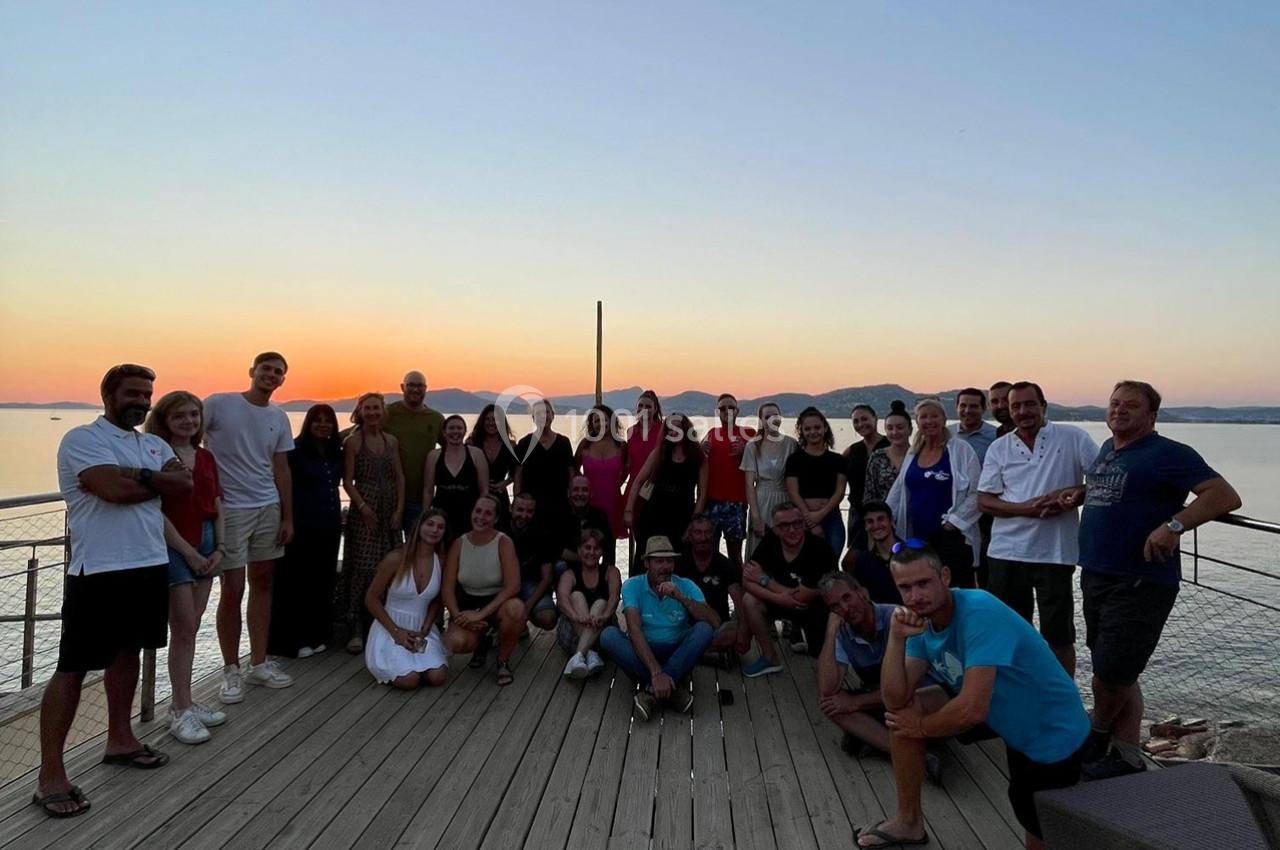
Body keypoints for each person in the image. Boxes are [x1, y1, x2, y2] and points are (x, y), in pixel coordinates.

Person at [859, 542, 1091, 850]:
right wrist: (896, 638)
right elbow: (894, 698)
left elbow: (972, 710)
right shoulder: (920, 621)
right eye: (905, 588)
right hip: (1005, 713)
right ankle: (908, 822)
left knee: (1039, 822)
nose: (915, 596)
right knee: (902, 712)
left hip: (1051, 731)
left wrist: (921, 728)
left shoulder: (979, 611)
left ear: (945, 576)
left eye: (923, 583)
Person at [37, 364, 192, 818]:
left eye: (147, 394)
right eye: (132, 393)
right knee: (72, 668)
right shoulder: (83, 439)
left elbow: (183, 485)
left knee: (128, 654)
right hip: (99, 569)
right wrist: (150, 479)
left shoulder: (154, 442)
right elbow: (109, 491)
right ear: (108, 394)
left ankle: (120, 740)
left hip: (148, 564)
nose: (142, 401)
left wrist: (136, 475)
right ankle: (50, 775)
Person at [1067, 380, 1240, 780]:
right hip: (1097, 574)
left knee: (1112, 673)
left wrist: (1175, 525)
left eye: (1130, 405)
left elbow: (1224, 495)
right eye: (1114, 403)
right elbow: (1116, 492)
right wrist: (1079, 493)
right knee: (1118, 671)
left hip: (1140, 581)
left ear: (1151, 415)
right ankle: (1126, 757)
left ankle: (1095, 736)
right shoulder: (1109, 450)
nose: (1119, 410)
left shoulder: (1169, 454)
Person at [977, 381, 1098, 674]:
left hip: (1054, 554)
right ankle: (1022, 698)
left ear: (1043, 406)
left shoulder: (1073, 437)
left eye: (1029, 404)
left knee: (1059, 635)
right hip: (1006, 553)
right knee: (1011, 633)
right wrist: (1026, 509)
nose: (1023, 411)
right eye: (1015, 406)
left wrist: (1075, 493)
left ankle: (1063, 703)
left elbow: (1102, 479)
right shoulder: (999, 447)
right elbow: (984, 500)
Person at [203, 352, 296, 702]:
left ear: (283, 379)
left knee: (263, 583)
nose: (271, 375)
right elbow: (186, 436)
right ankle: (230, 670)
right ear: (252, 371)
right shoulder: (219, 404)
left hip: (267, 507)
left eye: (278, 372)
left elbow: (282, 468)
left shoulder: (278, 416)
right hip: (231, 511)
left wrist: (287, 516)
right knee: (231, 590)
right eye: (266, 369)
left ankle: (259, 662)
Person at [145, 391, 227, 745]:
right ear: (165, 419)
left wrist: (220, 548)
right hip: (174, 545)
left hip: (207, 540)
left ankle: (187, 701)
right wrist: (187, 553)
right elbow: (155, 511)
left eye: (194, 415)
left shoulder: (206, 457)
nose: (189, 421)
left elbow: (218, 502)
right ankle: (178, 710)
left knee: (192, 627)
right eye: (180, 416)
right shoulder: (159, 456)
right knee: (181, 627)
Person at [815, 572, 940, 781]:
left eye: (847, 598)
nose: (844, 609)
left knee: (901, 701)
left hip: (919, 696)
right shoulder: (843, 630)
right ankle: (915, 756)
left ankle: (876, 740)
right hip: (882, 697)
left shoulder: (896, 617)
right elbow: (828, 688)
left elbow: (909, 686)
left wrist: (854, 703)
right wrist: (830, 632)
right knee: (829, 703)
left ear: (862, 593)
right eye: (835, 606)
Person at [600, 536, 719, 720]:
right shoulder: (633, 585)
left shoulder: (685, 585)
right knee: (608, 636)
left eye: (669, 561)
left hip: (676, 650)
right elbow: (634, 629)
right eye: (659, 561)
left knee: (704, 630)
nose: (665, 566)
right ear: (647, 563)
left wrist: (680, 597)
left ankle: (653, 692)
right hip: (645, 651)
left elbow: (714, 622)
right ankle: (671, 688)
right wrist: (656, 672)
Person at [268, 404, 344, 659]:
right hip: (301, 524)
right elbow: (280, 482)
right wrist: (284, 520)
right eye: (317, 420)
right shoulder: (295, 450)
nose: (323, 425)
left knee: (321, 581)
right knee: (294, 583)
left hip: (330, 525)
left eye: (328, 421)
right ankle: (290, 640)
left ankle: (317, 633)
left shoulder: (335, 451)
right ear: (308, 423)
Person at [885, 398, 982, 589]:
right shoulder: (914, 452)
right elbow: (899, 489)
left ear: (944, 419)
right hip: (917, 537)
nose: (929, 421)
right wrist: (886, 518)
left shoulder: (960, 450)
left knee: (955, 589)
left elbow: (977, 492)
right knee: (924, 589)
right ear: (917, 422)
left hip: (952, 537)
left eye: (934, 416)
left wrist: (953, 522)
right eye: (924, 417)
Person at [338, 392, 405, 653]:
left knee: (390, 566)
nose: (373, 413)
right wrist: (363, 507)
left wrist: (399, 509)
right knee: (362, 567)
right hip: (365, 507)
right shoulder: (354, 442)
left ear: (383, 410)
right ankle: (355, 625)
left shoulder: (391, 441)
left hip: (390, 507)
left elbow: (399, 476)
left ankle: (385, 624)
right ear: (360, 411)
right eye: (368, 409)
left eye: (377, 408)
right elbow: (347, 481)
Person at [442, 495, 526, 685]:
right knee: (456, 642)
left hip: (496, 604)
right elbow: (447, 589)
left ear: (496, 519)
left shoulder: (503, 542)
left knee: (517, 610)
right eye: (478, 511)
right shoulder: (459, 544)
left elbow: (514, 585)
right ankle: (481, 643)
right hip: (467, 604)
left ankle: (502, 660)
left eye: (488, 513)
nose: (481, 517)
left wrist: (481, 616)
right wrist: (459, 617)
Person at [739, 502, 836, 668]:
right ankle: (770, 658)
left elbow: (802, 598)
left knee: (822, 662)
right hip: (782, 600)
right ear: (775, 528)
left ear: (804, 524)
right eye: (784, 525)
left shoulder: (820, 550)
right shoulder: (770, 540)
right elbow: (746, 579)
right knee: (750, 600)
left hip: (816, 608)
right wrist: (778, 598)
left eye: (796, 523)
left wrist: (765, 580)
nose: (791, 530)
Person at [364, 510, 449, 689]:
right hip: (390, 628)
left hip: (421, 629)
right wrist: (396, 633)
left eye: (440, 527)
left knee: (438, 677)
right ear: (419, 527)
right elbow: (371, 599)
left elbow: (438, 600)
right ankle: (404, 666)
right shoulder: (395, 559)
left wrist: (425, 629)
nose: (435, 530)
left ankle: (418, 664)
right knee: (409, 680)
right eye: (430, 524)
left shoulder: (441, 561)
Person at [678, 514, 767, 656]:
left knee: (733, 634)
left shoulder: (725, 564)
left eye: (707, 532)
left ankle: (692, 653)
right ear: (690, 535)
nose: (703, 537)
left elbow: (739, 601)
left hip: (717, 625)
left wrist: (743, 631)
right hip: (686, 624)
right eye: (698, 532)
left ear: (713, 535)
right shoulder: (680, 563)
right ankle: (705, 654)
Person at [624, 413, 707, 558]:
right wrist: (629, 510)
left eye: (678, 427)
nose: (674, 431)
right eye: (670, 429)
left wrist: (693, 524)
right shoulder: (659, 453)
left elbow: (702, 495)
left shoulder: (698, 457)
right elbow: (638, 481)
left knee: (677, 562)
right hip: (653, 516)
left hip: (682, 518)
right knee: (647, 559)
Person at [383, 370, 445, 532]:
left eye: (420, 386)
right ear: (402, 387)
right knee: (389, 551)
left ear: (426, 389)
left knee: (415, 550)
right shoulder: (388, 413)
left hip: (419, 498)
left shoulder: (436, 418)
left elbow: (453, 449)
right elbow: (362, 431)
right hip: (390, 496)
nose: (415, 389)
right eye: (411, 385)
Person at [556, 529, 621, 678]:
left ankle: (578, 657)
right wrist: (577, 616)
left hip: (602, 631)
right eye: (587, 547)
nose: (591, 552)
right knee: (576, 596)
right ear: (579, 550)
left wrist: (604, 616)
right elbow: (562, 600)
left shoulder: (611, 572)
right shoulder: (569, 574)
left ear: (601, 552)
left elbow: (614, 598)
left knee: (601, 603)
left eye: (596, 548)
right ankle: (590, 654)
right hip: (572, 633)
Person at [784, 406, 847, 557]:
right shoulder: (795, 460)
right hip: (802, 518)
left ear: (825, 428)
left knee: (831, 561)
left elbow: (840, 491)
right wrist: (809, 517)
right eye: (808, 429)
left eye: (817, 427)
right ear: (802, 432)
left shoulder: (838, 460)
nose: (813, 432)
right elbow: (793, 492)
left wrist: (821, 514)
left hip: (832, 518)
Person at [700, 393, 755, 567]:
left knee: (735, 555)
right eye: (722, 408)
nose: (727, 411)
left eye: (730, 407)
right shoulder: (711, 434)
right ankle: (715, 593)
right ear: (717, 412)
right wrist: (700, 448)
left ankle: (739, 592)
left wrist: (746, 449)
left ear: (737, 411)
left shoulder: (749, 434)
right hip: (711, 502)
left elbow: (761, 462)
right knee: (710, 551)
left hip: (736, 503)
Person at [740, 401, 798, 555]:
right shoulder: (753, 446)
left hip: (786, 500)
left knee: (786, 547)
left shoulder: (792, 444)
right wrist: (755, 516)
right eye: (767, 416)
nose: (772, 419)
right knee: (761, 549)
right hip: (762, 502)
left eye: (775, 415)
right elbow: (749, 484)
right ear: (761, 421)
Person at [423, 414, 488, 541]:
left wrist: (481, 516)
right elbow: (428, 490)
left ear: (464, 431)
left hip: (470, 515)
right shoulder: (434, 456)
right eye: (451, 428)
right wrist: (426, 517)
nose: (455, 432)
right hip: (441, 516)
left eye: (459, 428)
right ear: (444, 432)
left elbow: (484, 490)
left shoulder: (476, 454)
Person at [514, 399, 575, 530]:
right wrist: (517, 500)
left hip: (558, 503)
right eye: (539, 413)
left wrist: (571, 497)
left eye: (547, 412)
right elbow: (518, 474)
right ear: (533, 417)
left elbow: (571, 473)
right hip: (530, 505)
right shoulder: (525, 443)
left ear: (553, 415)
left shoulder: (564, 443)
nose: (544, 416)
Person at [841, 403, 889, 561]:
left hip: (886, 512)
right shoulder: (852, 450)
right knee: (855, 559)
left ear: (875, 419)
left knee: (885, 555)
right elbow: (834, 473)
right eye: (856, 421)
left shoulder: (890, 446)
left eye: (864, 419)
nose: (861, 424)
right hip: (857, 512)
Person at [575, 404, 628, 542]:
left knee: (610, 545)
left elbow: (627, 470)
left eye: (605, 420)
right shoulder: (585, 445)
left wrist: (616, 484)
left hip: (613, 502)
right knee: (588, 544)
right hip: (589, 503)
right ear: (592, 424)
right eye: (597, 420)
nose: (601, 424)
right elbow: (574, 470)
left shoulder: (621, 446)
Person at [623, 390, 664, 563]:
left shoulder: (662, 430)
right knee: (638, 540)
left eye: (648, 406)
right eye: (641, 405)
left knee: (655, 539)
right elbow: (628, 462)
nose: (644, 409)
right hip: (635, 489)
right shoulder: (631, 431)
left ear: (655, 409)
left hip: (656, 489)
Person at [509, 492, 560, 631]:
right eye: (520, 510)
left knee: (548, 618)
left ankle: (525, 619)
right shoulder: (501, 531)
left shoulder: (542, 534)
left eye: (529, 511)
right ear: (511, 508)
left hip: (531, 583)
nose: (524, 515)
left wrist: (526, 608)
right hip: (503, 585)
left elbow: (547, 578)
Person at [467, 403, 518, 521]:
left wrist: (504, 483)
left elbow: (516, 473)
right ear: (482, 422)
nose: (491, 423)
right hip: (476, 495)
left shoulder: (511, 446)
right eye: (487, 419)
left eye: (495, 419)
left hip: (500, 495)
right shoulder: (472, 443)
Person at [848, 501, 903, 605]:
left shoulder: (910, 553)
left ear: (891, 521)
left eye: (881, 519)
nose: (876, 525)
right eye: (870, 521)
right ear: (865, 526)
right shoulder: (863, 561)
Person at [861, 401, 912, 506]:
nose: (894, 432)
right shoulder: (878, 457)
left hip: (916, 518)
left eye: (900, 427)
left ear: (910, 430)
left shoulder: (920, 456)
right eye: (890, 428)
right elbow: (869, 494)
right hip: (884, 519)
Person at [951, 387, 998, 464]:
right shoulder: (945, 433)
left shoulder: (995, 436)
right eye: (963, 406)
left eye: (973, 406)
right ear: (957, 407)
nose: (967, 411)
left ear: (983, 409)